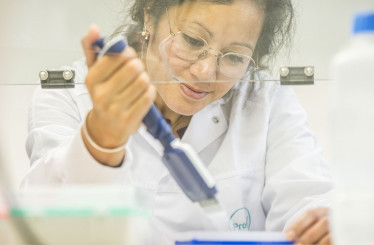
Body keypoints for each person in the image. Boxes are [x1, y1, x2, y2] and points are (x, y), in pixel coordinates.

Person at [22, 0, 334, 244]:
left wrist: (326, 224)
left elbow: (307, 199)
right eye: (192, 40)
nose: (204, 72)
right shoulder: (69, 93)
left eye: (234, 57)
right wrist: (100, 137)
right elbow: (43, 223)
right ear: (150, 15)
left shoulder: (266, 101)